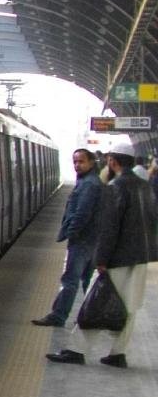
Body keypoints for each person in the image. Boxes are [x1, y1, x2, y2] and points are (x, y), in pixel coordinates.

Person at [47, 142, 158, 367]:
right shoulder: (145, 186)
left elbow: (110, 227)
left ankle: (76, 350)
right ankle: (118, 354)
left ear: (112, 161)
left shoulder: (116, 187)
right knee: (130, 306)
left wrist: (101, 259)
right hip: (140, 257)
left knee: (95, 303)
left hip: (118, 258)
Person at [32, 149, 101, 327]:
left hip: (83, 241)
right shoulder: (89, 181)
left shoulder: (89, 184)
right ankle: (87, 315)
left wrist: (71, 232)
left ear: (91, 163)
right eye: (75, 162)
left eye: (81, 161)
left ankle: (59, 316)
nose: (77, 165)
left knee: (70, 280)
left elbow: (82, 213)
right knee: (84, 281)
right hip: (90, 239)